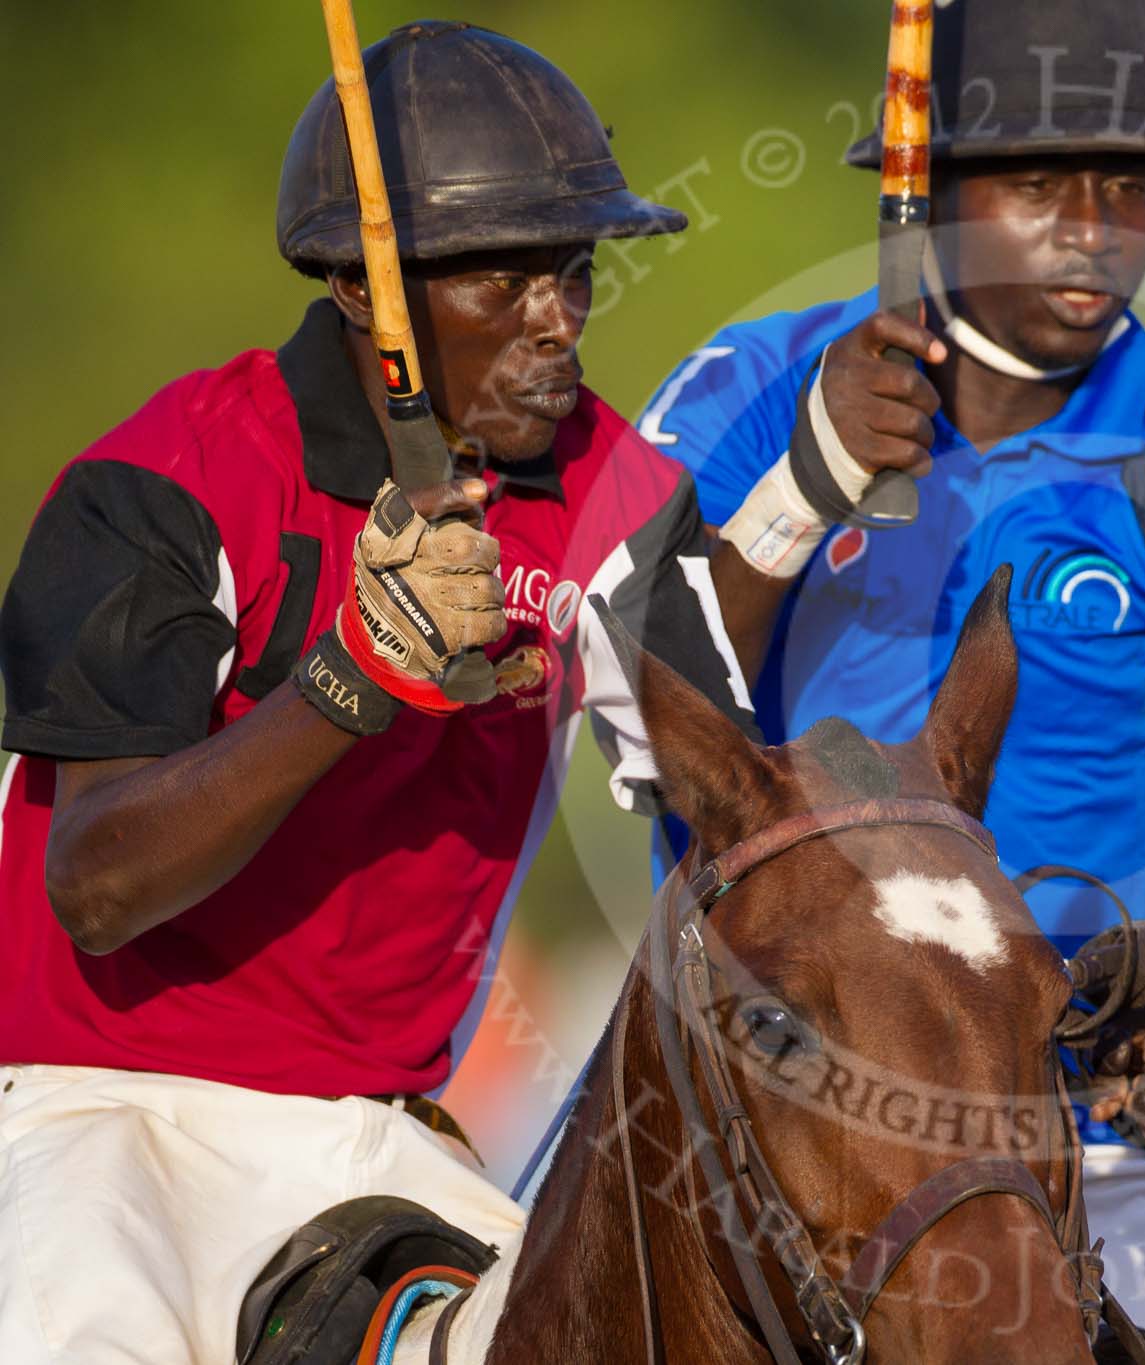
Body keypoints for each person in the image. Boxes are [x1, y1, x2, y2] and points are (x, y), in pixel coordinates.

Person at [0, 21, 792, 1365]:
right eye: (502, 281)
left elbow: (738, 821)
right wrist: (352, 683)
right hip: (93, 1118)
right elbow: (98, 883)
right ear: (368, 291)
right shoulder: (169, 475)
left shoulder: (622, 494)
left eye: (574, 271)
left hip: (377, 1140)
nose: (558, 321)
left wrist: (801, 498)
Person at [636, 0, 1145, 1345]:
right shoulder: (743, 383)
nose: (1094, 224)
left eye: (1130, 184)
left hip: (1116, 1148)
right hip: (747, 1136)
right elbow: (634, 705)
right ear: (938, 195)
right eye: (1042, 184)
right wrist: (805, 479)